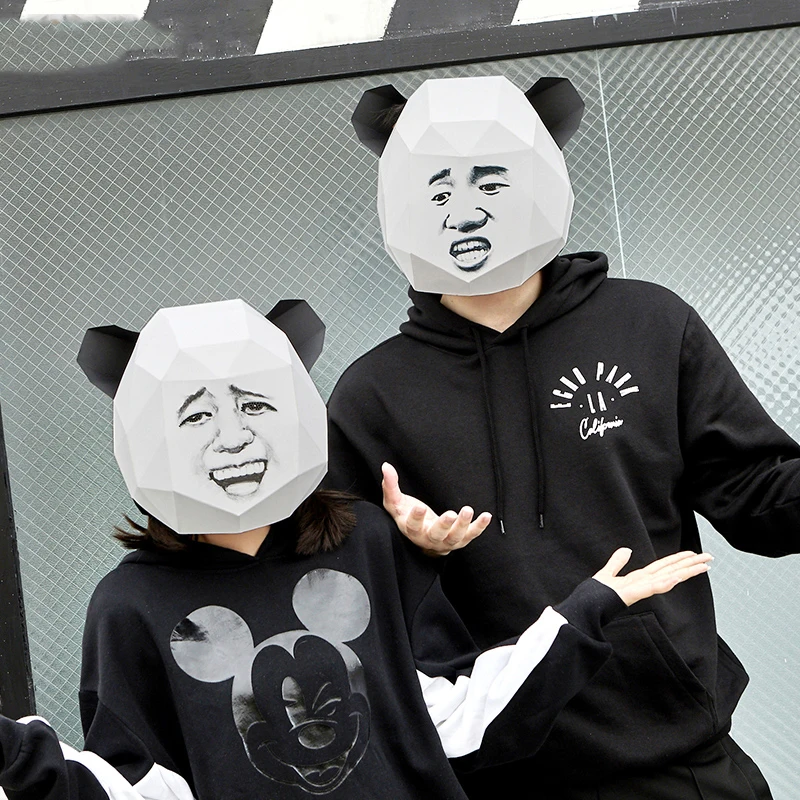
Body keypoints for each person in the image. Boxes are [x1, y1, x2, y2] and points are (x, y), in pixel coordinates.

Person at [0, 298, 710, 800]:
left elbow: (455, 719)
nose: (233, 437)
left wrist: (584, 613)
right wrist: (17, 757)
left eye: (254, 405)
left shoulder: (368, 544)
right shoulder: (129, 605)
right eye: (195, 416)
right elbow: (143, 785)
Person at [326, 75, 799, 799]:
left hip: (681, 763)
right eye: (437, 191)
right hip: (496, 773)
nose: (465, 213)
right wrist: (408, 551)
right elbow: (342, 600)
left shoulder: (648, 325)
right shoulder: (370, 396)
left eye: (491, 183)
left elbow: (757, 499)